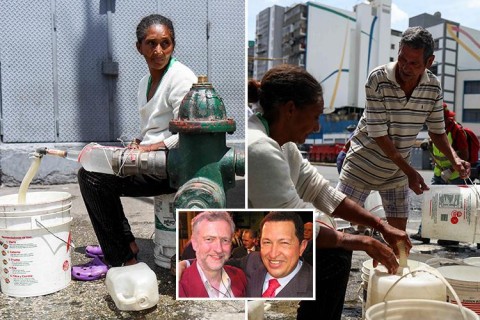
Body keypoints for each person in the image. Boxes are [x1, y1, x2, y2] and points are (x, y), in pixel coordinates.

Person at [247, 64, 411, 319]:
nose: (316, 127)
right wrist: (362, 241)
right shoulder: (259, 148)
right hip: (248, 241)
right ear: (290, 109)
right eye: (315, 116)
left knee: (337, 242)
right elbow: (299, 226)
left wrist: (380, 226)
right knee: (334, 254)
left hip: (268, 234)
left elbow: (321, 191)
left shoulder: (283, 144)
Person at [73, 14, 197, 277]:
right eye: (151, 43)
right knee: (96, 169)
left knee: (93, 179)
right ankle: (125, 241)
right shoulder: (144, 82)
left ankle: (122, 260)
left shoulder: (182, 77)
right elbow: (155, 127)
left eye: (165, 43)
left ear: (173, 45)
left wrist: (151, 149)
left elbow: (188, 133)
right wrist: (139, 143)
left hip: (173, 165)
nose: (158, 51)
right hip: (151, 158)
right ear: (139, 46)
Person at [338, 27, 470, 232]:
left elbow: (437, 131)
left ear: (429, 62)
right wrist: (410, 172)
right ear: (398, 51)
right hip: (361, 166)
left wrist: (455, 160)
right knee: (338, 232)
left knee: (398, 239)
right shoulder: (378, 79)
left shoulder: (433, 87)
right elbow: (379, 134)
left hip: (397, 172)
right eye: (402, 59)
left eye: (414, 63)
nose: (405, 67)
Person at [411, 104, 469, 244]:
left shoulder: (456, 130)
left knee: (453, 208)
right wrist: (428, 143)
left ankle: (450, 238)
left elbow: (465, 155)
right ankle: (424, 233)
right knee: (429, 203)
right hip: (439, 173)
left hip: (454, 176)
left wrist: (451, 171)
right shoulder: (435, 128)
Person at [178, 211, 247, 298]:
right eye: (209, 239)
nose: (219, 249)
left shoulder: (239, 276)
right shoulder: (180, 286)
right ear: (195, 242)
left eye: (225, 240)